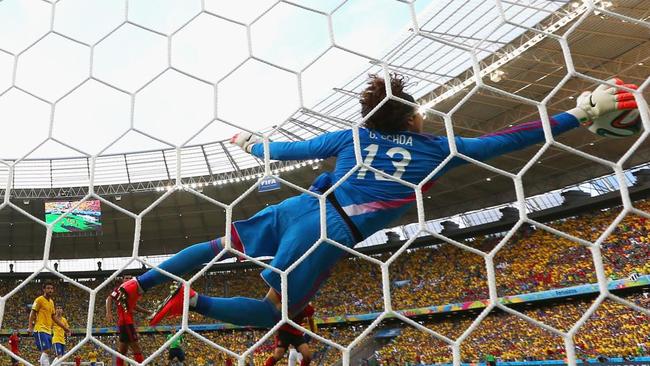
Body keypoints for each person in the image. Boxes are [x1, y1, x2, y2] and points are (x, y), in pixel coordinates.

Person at [116, 74, 639, 328]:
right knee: (279, 315)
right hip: (330, 230)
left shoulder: (351, 139)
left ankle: (141, 283)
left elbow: (277, 150)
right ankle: (198, 302)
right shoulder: (438, 150)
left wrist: (245, 142)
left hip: (298, 208)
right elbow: (511, 140)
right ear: (410, 117)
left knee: (218, 244)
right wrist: (579, 114)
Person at [106, 276, 150, 366]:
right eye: (126, 278)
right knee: (136, 348)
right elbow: (109, 298)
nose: (128, 279)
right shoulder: (120, 289)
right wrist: (109, 312)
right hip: (126, 322)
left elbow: (134, 306)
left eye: (130, 278)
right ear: (122, 280)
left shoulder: (131, 291)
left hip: (125, 323)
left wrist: (147, 312)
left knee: (123, 351)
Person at [28, 281, 71, 366]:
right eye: (48, 288)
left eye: (51, 288)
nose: (50, 290)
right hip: (40, 329)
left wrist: (65, 328)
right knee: (46, 350)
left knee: (49, 352)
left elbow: (54, 317)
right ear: (43, 289)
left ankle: (43, 363)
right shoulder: (39, 300)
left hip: (48, 331)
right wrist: (30, 327)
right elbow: (32, 313)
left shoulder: (51, 302)